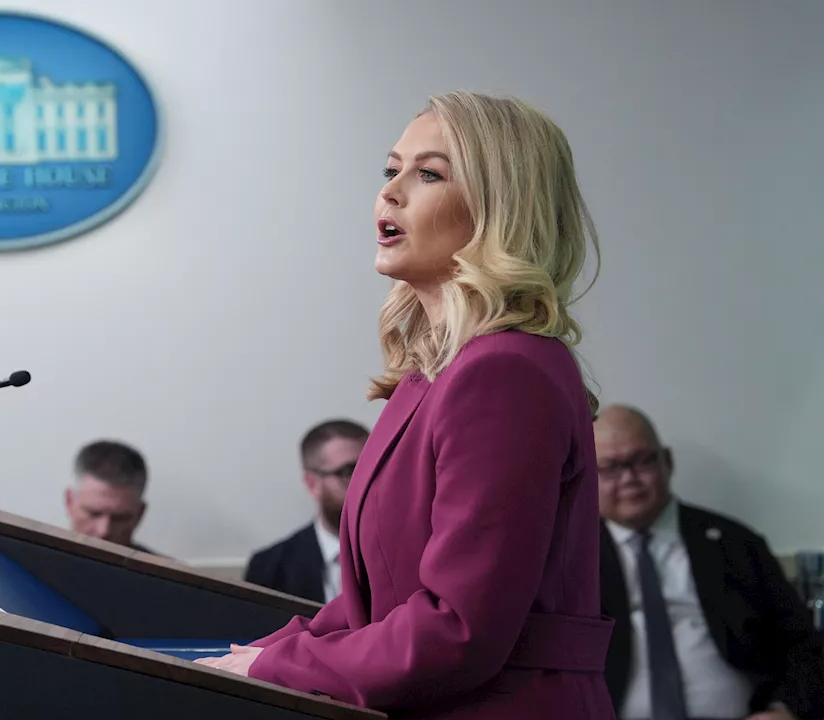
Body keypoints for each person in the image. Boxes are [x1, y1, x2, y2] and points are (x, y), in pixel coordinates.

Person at [196, 91, 614, 718]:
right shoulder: (433, 375)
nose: (390, 193)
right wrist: (261, 653)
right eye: (391, 169)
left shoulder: (505, 373)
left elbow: (458, 628)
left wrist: (280, 666)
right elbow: (382, 600)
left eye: (429, 173)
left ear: (499, 209)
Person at [594, 405, 824, 720]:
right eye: (610, 468)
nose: (629, 478)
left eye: (642, 460)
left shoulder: (734, 543)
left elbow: (802, 644)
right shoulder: (574, 555)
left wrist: (785, 709)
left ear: (668, 462)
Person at [244, 420, 369, 602]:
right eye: (349, 472)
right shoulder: (270, 569)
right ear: (312, 484)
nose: (367, 483)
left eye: (374, 467)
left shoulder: (410, 554)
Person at [63, 440, 156, 553]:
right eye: (94, 513)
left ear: (140, 514)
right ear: (69, 501)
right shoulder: (36, 560)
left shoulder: (165, 570)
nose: (104, 531)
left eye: (120, 518)